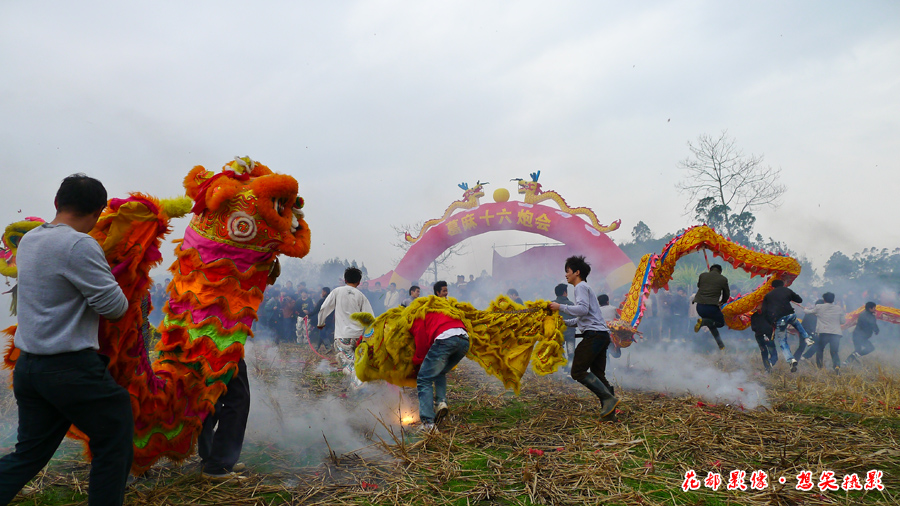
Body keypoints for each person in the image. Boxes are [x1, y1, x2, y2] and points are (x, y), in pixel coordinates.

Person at [0, 174, 132, 505]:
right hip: (69, 369)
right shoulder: (79, 244)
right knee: (115, 434)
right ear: (99, 211)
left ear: (57, 202)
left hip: (30, 369)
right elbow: (115, 308)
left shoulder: (31, 240)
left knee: (28, 454)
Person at [549, 256, 619, 419]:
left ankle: (608, 398)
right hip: (601, 335)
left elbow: (581, 309)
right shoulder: (585, 288)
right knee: (599, 375)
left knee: (578, 371)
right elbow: (582, 318)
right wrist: (563, 322)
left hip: (594, 336)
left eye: (567, 271)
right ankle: (610, 414)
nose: (566, 275)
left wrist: (560, 307)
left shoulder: (580, 287)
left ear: (577, 272)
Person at [409, 305, 470, 433]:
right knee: (440, 371)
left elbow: (421, 344)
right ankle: (440, 403)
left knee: (424, 379)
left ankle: (428, 424)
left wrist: (417, 364)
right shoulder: (438, 310)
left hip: (446, 339)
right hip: (464, 340)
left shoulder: (418, 317)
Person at [317, 267, 374, 384]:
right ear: (359, 282)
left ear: (344, 279)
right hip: (358, 337)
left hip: (342, 337)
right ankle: (356, 388)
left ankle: (360, 385)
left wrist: (320, 323)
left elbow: (324, 308)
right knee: (355, 361)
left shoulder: (337, 292)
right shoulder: (361, 296)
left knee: (349, 365)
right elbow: (370, 318)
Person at [762, 279, 811, 372]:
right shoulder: (787, 290)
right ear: (783, 284)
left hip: (780, 319)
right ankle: (807, 338)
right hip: (791, 315)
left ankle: (790, 359)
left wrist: (771, 321)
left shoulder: (768, 295)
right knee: (797, 323)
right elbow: (799, 300)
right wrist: (789, 297)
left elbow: (764, 311)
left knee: (783, 342)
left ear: (773, 287)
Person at [801, 292, 845, 372]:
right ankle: (837, 366)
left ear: (824, 299)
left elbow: (808, 312)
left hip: (824, 333)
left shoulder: (819, 307)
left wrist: (805, 309)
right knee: (834, 351)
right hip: (836, 334)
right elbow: (842, 321)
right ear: (833, 299)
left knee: (820, 349)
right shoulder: (838, 308)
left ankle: (820, 367)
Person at [693, 264, 730, 350]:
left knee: (711, 324)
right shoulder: (723, 279)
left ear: (710, 269)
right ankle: (703, 322)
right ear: (720, 271)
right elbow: (726, 295)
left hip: (699, 307)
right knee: (721, 323)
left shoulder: (702, 275)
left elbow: (699, 285)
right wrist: (722, 302)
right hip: (711, 308)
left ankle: (721, 345)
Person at [554, 284, 577, 372]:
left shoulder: (552, 304)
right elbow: (575, 318)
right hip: (570, 332)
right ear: (565, 293)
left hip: (557, 333)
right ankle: (569, 369)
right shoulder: (570, 304)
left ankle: (564, 365)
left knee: (559, 349)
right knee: (571, 353)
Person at [597, 294, 621, 358]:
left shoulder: (597, 310)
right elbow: (620, 319)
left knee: (604, 354)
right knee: (617, 354)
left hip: (601, 334)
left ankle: (607, 367)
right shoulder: (613, 308)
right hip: (612, 334)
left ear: (599, 302)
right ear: (607, 301)